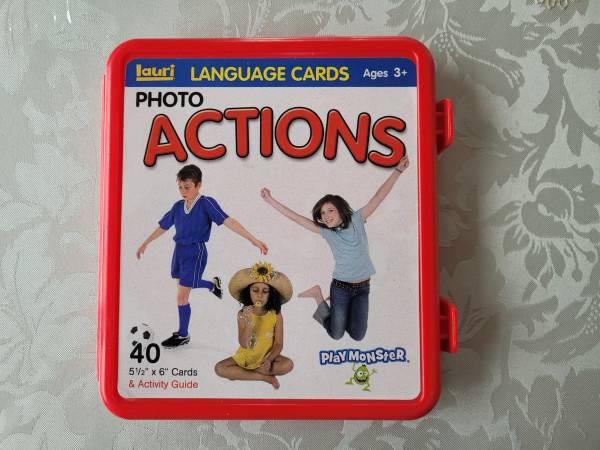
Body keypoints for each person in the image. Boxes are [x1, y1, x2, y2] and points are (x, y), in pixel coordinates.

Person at [260, 155, 409, 341]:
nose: (326, 216)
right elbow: (296, 218)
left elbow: (379, 196)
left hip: (363, 288)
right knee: (336, 334)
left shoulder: (357, 219)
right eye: (322, 213)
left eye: (330, 210)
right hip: (341, 287)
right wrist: (270, 200)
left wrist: (398, 171)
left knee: (358, 336)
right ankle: (318, 296)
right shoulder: (327, 232)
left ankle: (341, 311)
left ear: (340, 210)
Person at [136, 164, 268, 349]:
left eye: (187, 187)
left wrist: (253, 239)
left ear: (198, 185)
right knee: (182, 289)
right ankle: (212, 285)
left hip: (195, 251)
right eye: (180, 187)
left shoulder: (206, 203)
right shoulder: (177, 206)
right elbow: (163, 226)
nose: (183, 191)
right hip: (179, 251)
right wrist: (146, 242)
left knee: (182, 295)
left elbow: (228, 221)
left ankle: (183, 335)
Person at [214, 261, 294, 389]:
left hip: (267, 358)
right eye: (255, 290)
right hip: (245, 357)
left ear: (271, 294)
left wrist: (269, 360)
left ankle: (241, 373)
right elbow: (244, 344)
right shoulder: (242, 314)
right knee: (219, 368)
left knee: (288, 365)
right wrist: (249, 321)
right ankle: (263, 377)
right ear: (248, 292)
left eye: (265, 291)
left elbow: (279, 343)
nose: (259, 295)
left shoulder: (276, 314)